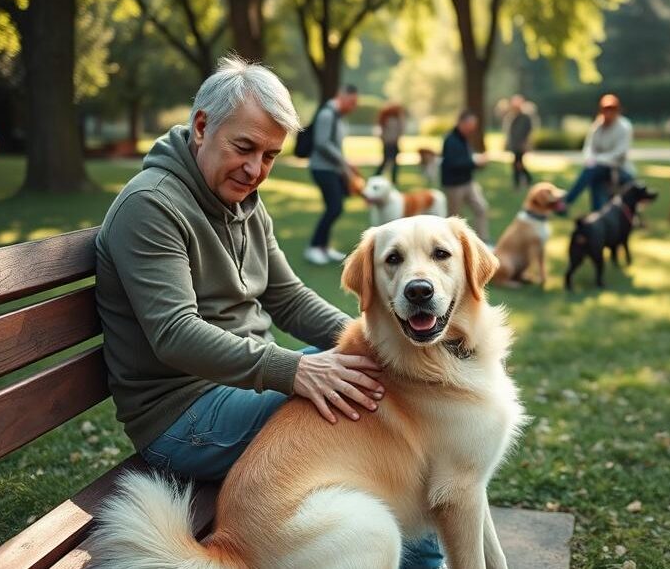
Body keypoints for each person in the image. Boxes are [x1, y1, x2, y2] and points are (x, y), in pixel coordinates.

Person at [95, 57, 444, 568]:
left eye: (270, 156)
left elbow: (288, 297)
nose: (256, 169)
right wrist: (296, 369)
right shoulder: (151, 207)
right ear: (201, 126)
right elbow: (175, 334)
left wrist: (366, 340)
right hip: (182, 416)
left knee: (381, 378)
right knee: (376, 404)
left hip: (243, 388)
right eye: (244, 148)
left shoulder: (244, 199)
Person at [305, 84, 362, 265]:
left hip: (332, 169)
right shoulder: (327, 114)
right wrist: (344, 161)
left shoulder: (337, 117)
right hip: (322, 169)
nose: (352, 108)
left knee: (333, 207)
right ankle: (314, 247)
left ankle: (323, 247)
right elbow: (322, 143)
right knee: (334, 207)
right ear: (341, 96)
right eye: (351, 102)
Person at [562, 94, 634, 211]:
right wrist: (590, 159)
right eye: (605, 110)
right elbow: (589, 147)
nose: (608, 113)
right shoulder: (597, 126)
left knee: (591, 172)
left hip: (619, 169)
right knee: (593, 174)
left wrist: (598, 160)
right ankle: (596, 211)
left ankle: (567, 202)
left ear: (617, 111)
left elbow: (620, 152)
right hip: (597, 168)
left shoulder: (624, 127)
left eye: (611, 110)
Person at [441, 109, 491, 243]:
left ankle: (483, 241)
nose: (473, 128)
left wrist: (476, 160)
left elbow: (466, 158)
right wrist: (475, 161)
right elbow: (453, 163)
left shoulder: (464, 139)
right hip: (454, 185)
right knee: (454, 218)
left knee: (481, 208)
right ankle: (451, 244)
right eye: (470, 125)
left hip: (468, 182)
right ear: (461, 123)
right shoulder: (450, 140)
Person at [505, 94, 534, 189]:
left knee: (517, 164)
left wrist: (526, 143)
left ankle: (519, 183)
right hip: (515, 144)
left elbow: (528, 131)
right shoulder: (512, 116)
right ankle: (526, 180)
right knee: (518, 164)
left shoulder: (525, 117)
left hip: (521, 145)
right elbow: (510, 131)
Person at [374, 102, 405, 184]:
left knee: (390, 162)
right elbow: (401, 129)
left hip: (390, 142)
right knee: (389, 162)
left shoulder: (386, 118)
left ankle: (378, 176)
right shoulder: (391, 118)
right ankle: (379, 176)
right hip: (390, 143)